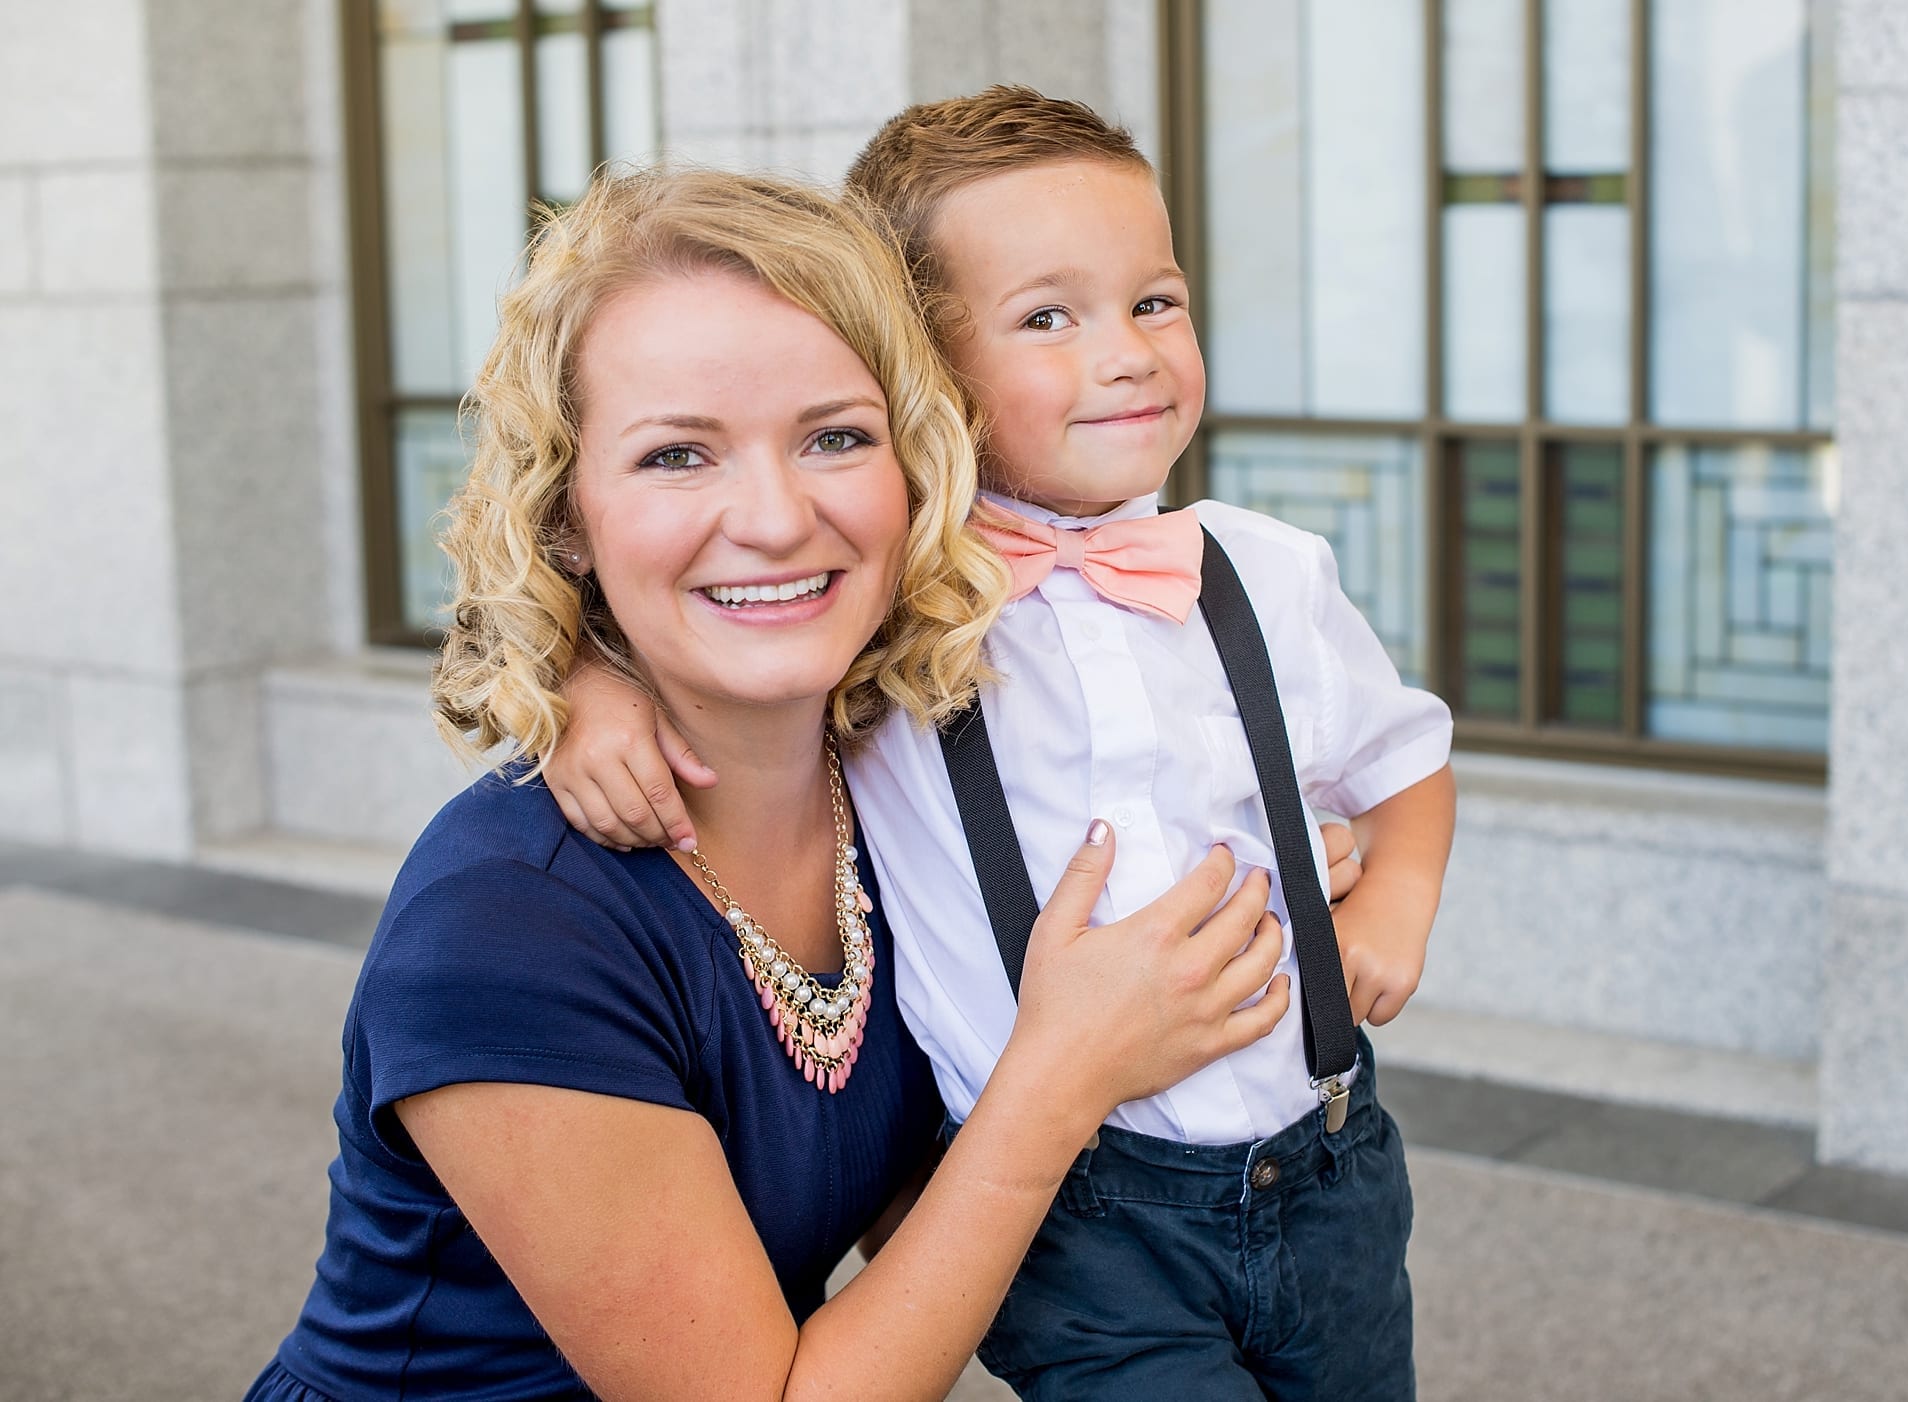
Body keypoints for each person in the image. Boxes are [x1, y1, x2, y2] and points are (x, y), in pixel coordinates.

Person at [246, 167, 1307, 1402]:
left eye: (835, 437)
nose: (775, 516)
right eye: (677, 454)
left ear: (920, 467)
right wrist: (1059, 1074)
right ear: (568, 518)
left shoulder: (905, 782)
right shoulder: (506, 928)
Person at [550, 89, 1456, 1400]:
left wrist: (1400, 901)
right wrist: (600, 684)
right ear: (923, 366)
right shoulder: (889, 584)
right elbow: (709, 625)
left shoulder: (1267, 571)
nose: (1131, 353)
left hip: (1326, 1160)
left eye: (1156, 300)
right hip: (1077, 1219)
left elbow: (1404, 754)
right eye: (1050, 317)